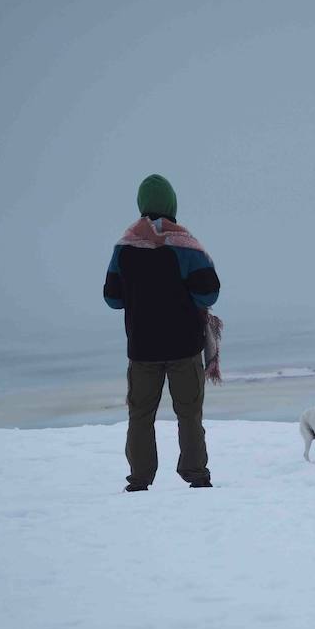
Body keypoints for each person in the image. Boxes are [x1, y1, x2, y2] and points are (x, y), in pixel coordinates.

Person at [104, 174, 221, 490]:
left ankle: (140, 479)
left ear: (141, 205)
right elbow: (209, 293)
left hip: (142, 348)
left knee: (140, 416)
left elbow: (112, 298)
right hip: (184, 347)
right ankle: (197, 475)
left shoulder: (125, 247)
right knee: (189, 414)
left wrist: (141, 297)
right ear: (172, 205)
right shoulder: (184, 244)